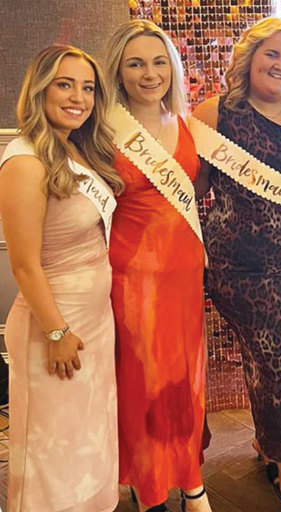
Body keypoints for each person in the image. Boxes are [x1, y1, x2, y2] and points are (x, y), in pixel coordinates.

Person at [191, 16, 281, 512]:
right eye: (272, 54)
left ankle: (272, 446)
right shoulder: (217, 115)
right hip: (249, 270)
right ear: (248, 57)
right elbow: (193, 189)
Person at [0, 44, 123, 512]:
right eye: (64, 84)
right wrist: (56, 332)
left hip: (92, 320)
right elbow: (24, 264)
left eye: (87, 87)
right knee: (51, 448)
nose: (78, 97)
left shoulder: (74, 147)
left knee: (86, 437)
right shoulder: (24, 160)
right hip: (55, 324)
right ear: (40, 90)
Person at [104, 20, 210, 512]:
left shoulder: (188, 125)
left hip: (185, 275)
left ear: (173, 66)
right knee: (143, 380)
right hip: (133, 278)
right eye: (136, 63)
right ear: (118, 73)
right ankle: (147, 488)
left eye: (159, 61)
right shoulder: (103, 128)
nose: (150, 73)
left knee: (186, 378)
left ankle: (191, 481)